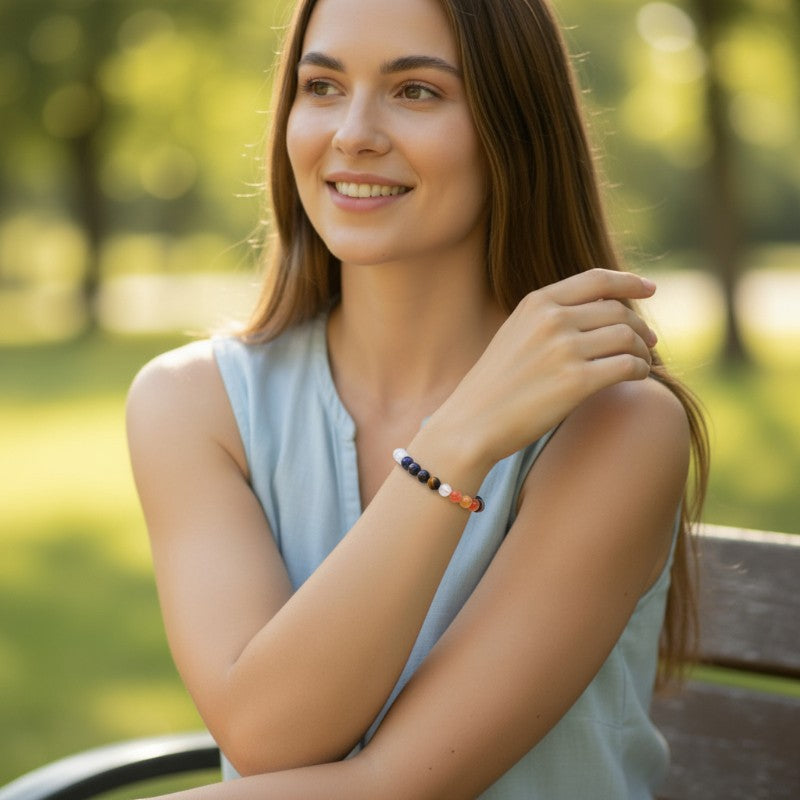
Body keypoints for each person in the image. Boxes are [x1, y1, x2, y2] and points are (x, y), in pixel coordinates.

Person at [126, 0, 709, 797]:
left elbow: (399, 786)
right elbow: (267, 730)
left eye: (417, 92)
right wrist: (458, 437)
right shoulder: (192, 404)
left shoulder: (617, 424)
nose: (353, 133)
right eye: (322, 86)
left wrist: (454, 441)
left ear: (515, 130)